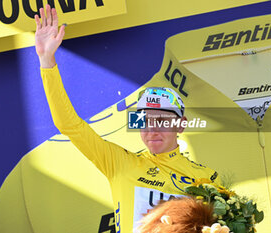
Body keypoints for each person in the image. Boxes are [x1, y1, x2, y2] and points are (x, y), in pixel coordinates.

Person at [35, 4, 228, 232]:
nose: (152, 130)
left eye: (162, 121)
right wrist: (47, 60)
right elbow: (68, 124)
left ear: (181, 125)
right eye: (145, 121)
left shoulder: (206, 178)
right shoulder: (118, 162)